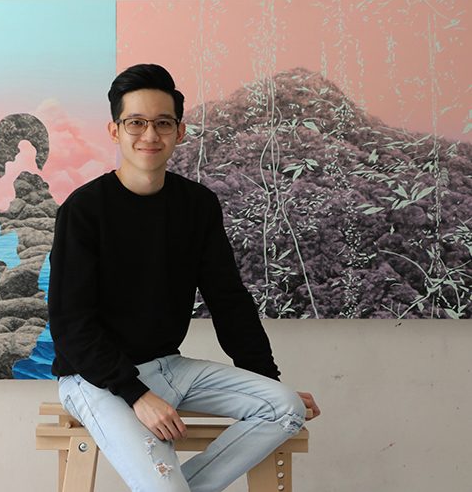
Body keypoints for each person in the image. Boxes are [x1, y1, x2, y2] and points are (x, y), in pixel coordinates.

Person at [48, 63, 320, 492]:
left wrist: (264, 381)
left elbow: (228, 300)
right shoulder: (84, 210)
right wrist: (136, 394)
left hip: (170, 366)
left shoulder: (197, 205)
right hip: (94, 379)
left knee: (286, 408)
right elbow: (69, 324)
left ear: (180, 131)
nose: (150, 135)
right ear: (115, 131)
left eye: (163, 123)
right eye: (136, 122)